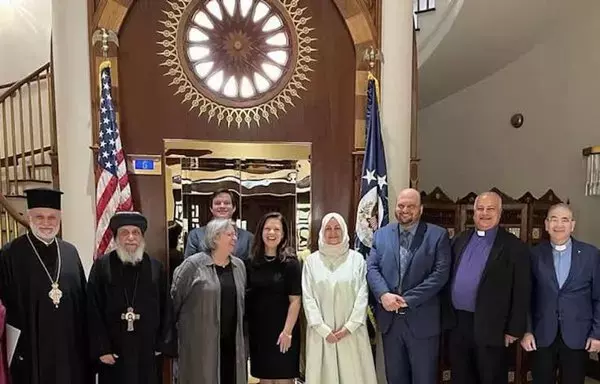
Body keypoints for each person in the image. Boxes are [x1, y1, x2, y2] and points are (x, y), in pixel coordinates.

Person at [0, 187, 93, 384]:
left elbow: (83, 303)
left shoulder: (70, 252)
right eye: (39, 217)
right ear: (29, 217)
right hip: (30, 348)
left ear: (59, 219)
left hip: (69, 350)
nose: (46, 223)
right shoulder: (10, 254)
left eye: (52, 217)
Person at [443, 191, 531, 384]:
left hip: (493, 327)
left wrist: (514, 329)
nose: (484, 213)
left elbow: (522, 291)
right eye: (480, 209)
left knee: (490, 377)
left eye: (490, 209)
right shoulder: (459, 239)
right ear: (473, 213)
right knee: (461, 376)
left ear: (500, 213)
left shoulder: (515, 247)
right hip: (458, 323)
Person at [366, 188, 451, 384]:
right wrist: (383, 295)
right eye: (401, 205)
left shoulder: (437, 235)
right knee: (395, 378)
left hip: (422, 323)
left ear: (420, 209)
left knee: (424, 379)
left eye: (411, 206)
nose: (405, 210)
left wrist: (407, 300)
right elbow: (372, 268)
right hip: (391, 323)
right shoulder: (381, 235)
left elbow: (440, 275)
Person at [87, 211, 176, 384]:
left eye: (135, 232)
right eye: (124, 233)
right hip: (114, 354)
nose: (130, 238)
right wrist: (102, 348)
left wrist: (161, 345)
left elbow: (166, 308)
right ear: (116, 238)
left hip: (147, 352)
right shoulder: (102, 267)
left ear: (142, 237)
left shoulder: (155, 267)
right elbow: (92, 309)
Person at [521, 203, 600, 384]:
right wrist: (527, 331)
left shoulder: (591, 254)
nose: (559, 225)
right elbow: (526, 297)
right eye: (554, 219)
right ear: (546, 224)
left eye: (565, 220)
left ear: (572, 225)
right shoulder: (533, 254)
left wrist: (597, 334)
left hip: (578, 336)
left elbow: (599, 297)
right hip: (542, 336)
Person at [302, 213, 377, 384]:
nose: (333, 232)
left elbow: (362, 296)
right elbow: (308, 298)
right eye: (328, 228)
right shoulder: (311, 262)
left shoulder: (356, 260)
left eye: (337, 228)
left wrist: (349, 328)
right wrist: (322, 329)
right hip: (321, 335)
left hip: (351, 333)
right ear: (322, 232)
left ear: (344, 230)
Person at [172, 218, 247, 384]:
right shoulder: (193, 265)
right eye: (229, 234)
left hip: (232, 343)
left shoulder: (239, 266)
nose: (235, 238)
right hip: (200, 345)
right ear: (215, 238)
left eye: (235, 234)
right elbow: (174, 302)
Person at [246, 212, 302, 383]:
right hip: (260, 333)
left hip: (284, 332)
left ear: (283, 233)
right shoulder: (251, 262)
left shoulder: (291, 263)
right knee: (265, 379)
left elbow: (295, 301)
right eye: (267, 228)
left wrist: (287, 332)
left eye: (276, 229)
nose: (271, 233)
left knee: (283, 378)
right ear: (260, 232)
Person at [184, 189, 253, 260]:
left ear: (234, 208)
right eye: (217, 203)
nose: (222, 206)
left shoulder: (247, 238)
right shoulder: (195, 235)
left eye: (226, 203)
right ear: (211, 208)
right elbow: (188, 266)